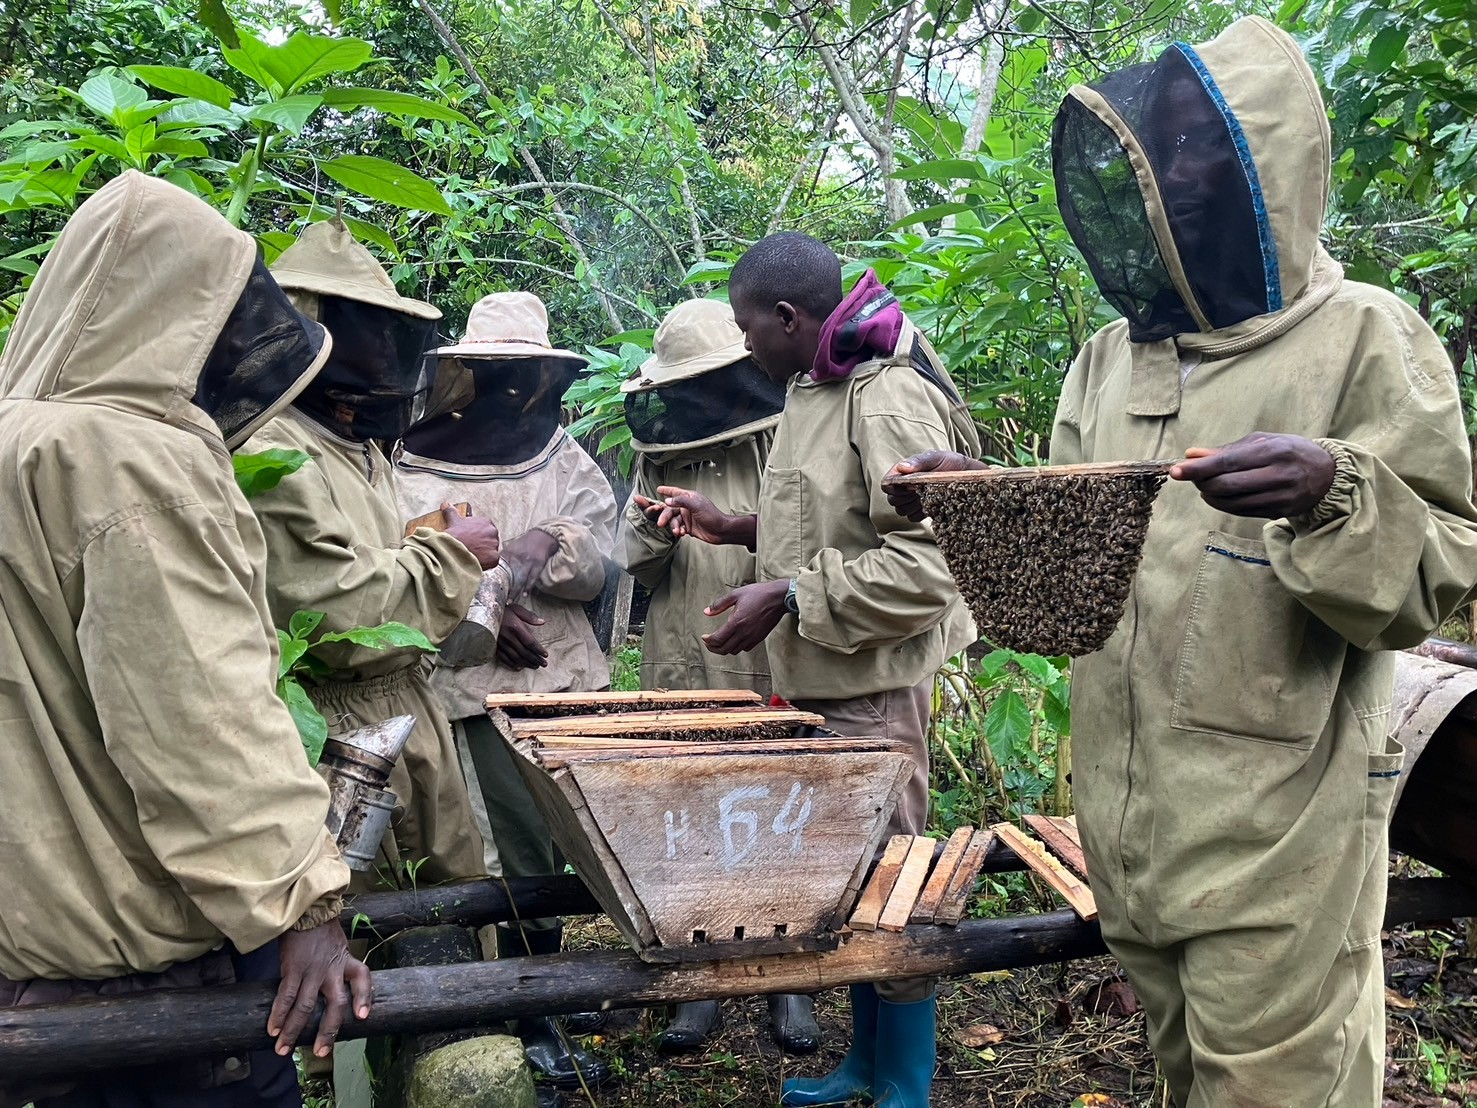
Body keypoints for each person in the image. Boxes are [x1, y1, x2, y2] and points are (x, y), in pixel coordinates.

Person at [885, 17, 1477, 1107]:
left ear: (1274, 174)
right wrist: (970, 496)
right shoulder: (1108, 358)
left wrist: (1334, 489)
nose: (1179, 182)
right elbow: (1076, 559)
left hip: (1280, 836)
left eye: (1211, 155)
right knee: (1181, 1079)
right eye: (1165, 159)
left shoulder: (1365, 335)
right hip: (1128, 824)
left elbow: (1442, 571)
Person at [0, 171, 371, 1107]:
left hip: (26, 949)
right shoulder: (128, 461)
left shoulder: (16, 440)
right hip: (147, 962)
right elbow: (198, 716)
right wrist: (306, 904)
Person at [642, 232, 980, 1107]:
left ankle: (904, 1084)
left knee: (892, 878)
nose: (745, 345)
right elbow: (833, 520)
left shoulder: (887, 398)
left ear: (789, 317)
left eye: (749, 328)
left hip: (872, 688)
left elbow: (933, 564)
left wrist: (787, 596)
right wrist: (733, 527)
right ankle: (864, 1065)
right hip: (826, 685)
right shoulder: (814, 387)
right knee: (850, 879)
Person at [396, 290, 617, 1089]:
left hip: (563, 680)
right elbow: (397, 572)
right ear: (467, 372)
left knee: (568, 842)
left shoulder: (561, 455)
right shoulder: (407, 462)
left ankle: (547, 990)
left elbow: (602, 552)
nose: (512, 387)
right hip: (466, 686)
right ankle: (522, 1006)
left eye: (522, 370)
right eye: (497, 370)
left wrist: (544, 545)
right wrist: (483, 601)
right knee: (500, 851)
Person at [241, 219, 493, 891]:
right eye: (372, 328)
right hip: (339, 734)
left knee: (452, 903)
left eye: (393, 330)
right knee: (376, 928)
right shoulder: (269, 450)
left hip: (405, 709)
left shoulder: (353, 444)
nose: (388, 348)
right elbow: (334, 616)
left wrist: (421, 538)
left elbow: (360, 554)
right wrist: (450, 554)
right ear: (312, 328)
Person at [616, 297, 808, 1054]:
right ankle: (698, 982)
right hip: (682, 648)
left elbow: (811, 542)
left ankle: (789, 978)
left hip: (776, 647)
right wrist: (647, 524)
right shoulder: (659, 447)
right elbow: (630, 564)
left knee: (788, 810)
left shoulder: (794, 430)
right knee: (689, 811)